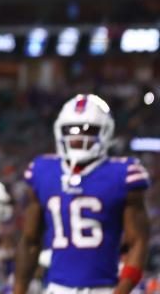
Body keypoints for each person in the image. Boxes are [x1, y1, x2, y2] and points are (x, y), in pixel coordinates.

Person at [13, 94, 151, 294]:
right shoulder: (42, 170)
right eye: (71, 130)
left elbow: (138, 242)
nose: (79, 137)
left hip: (104, 288)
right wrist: (19, 289)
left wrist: (123, 290)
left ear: (106, 132)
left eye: (89, 130)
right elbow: (30, 240)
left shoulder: (123, 173)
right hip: (56, 288)